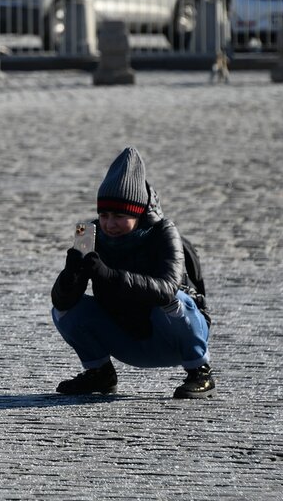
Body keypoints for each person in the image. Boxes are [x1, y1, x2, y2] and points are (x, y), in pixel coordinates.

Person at [50, 147, 215, 399]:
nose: (109, 223)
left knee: (173, 301)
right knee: (63, 310)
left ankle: (200, 371)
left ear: (138, 213)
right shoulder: (90, 233)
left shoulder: (164, 231)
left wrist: (110, 276)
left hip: (172, 336)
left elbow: (166, 289)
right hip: (126, 334)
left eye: (119, 215)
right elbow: (62, 302)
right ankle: (100, 374)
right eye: (104, 215)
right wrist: (71, 275)